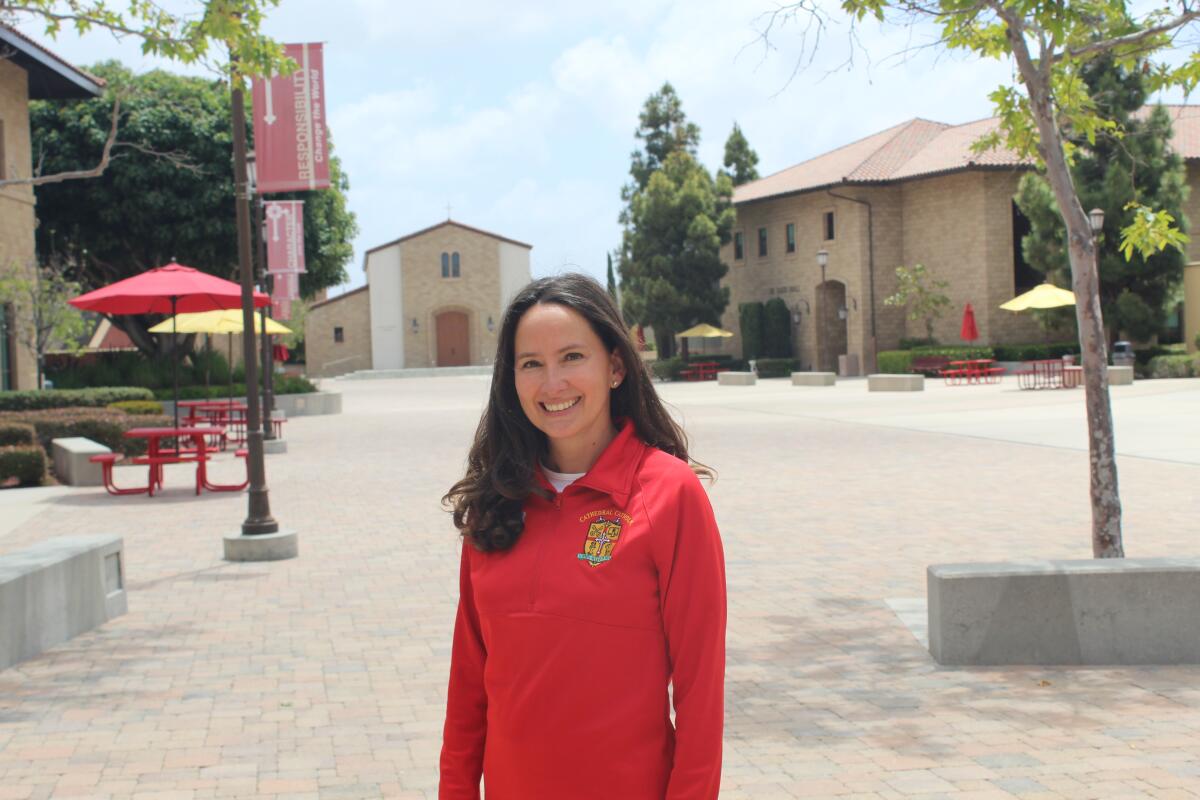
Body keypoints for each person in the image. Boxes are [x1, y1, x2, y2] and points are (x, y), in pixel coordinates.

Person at [439, 274, 727, 800]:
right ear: (511, 380)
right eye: (531, 364)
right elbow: (468, 687)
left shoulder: (669, 494)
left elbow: (700, 692)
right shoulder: (496, 501)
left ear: (615, 366)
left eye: (572, 357)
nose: (553, 384)